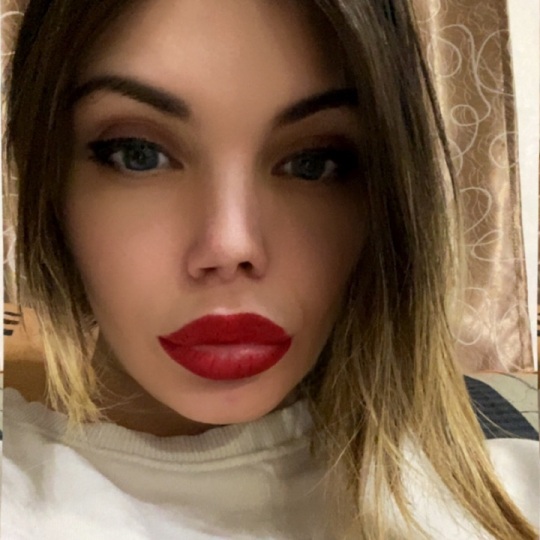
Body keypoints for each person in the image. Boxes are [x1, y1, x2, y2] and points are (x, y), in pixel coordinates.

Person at [2, 0, 538, 538]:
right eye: (138, 153)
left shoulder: (512, 488)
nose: (231, 244)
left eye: (313, 162)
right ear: (49, 179)